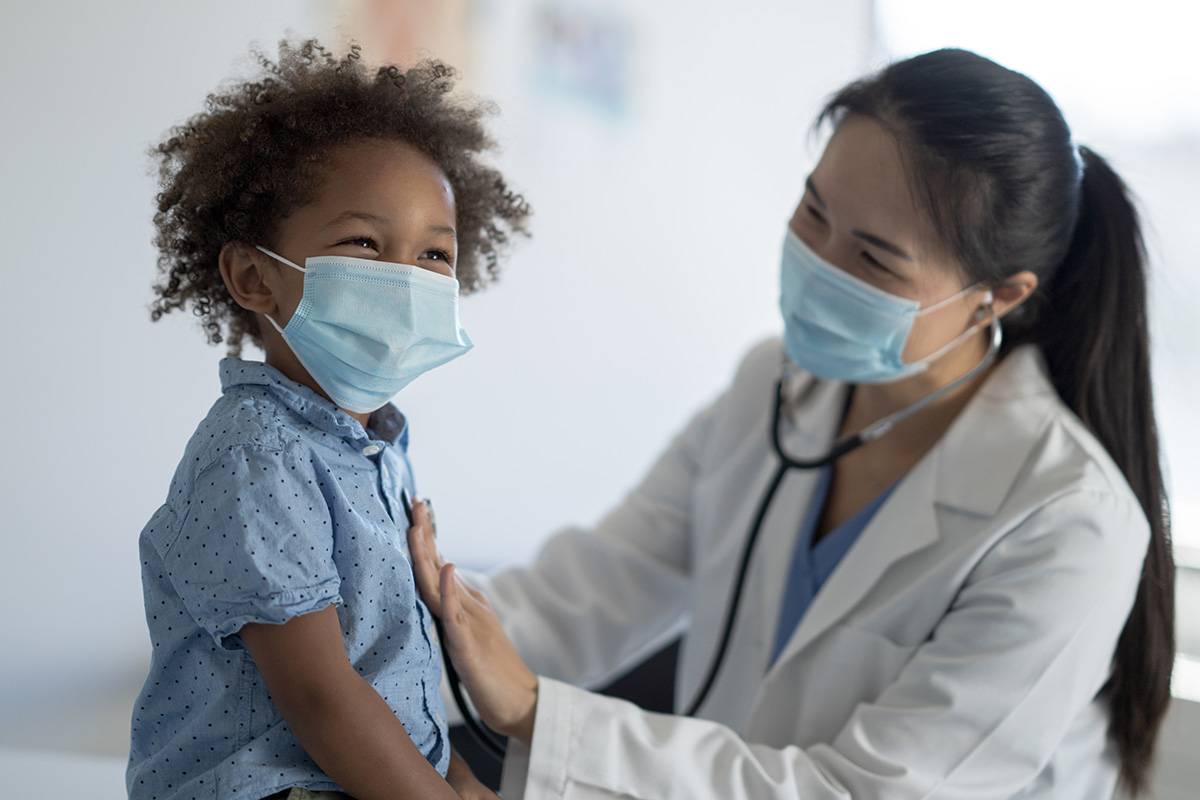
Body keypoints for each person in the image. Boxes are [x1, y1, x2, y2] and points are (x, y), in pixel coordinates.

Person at [407, 48, 1175, 799]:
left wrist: (535, 712)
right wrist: (370, 661)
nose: (820, 262)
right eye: (814, 212)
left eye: (875, 259)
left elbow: (861, 791)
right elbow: (587, 593)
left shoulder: (1069, 523)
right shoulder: (769, 387)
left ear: (997, 297)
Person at [127, 40, 529, 800]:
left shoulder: (375, 450)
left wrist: (459, 777)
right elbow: (321, 697)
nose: (406, 280)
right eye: (365, 244)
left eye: (435, 256)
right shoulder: (257, 456)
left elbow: (388, 666)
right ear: (255, 277)